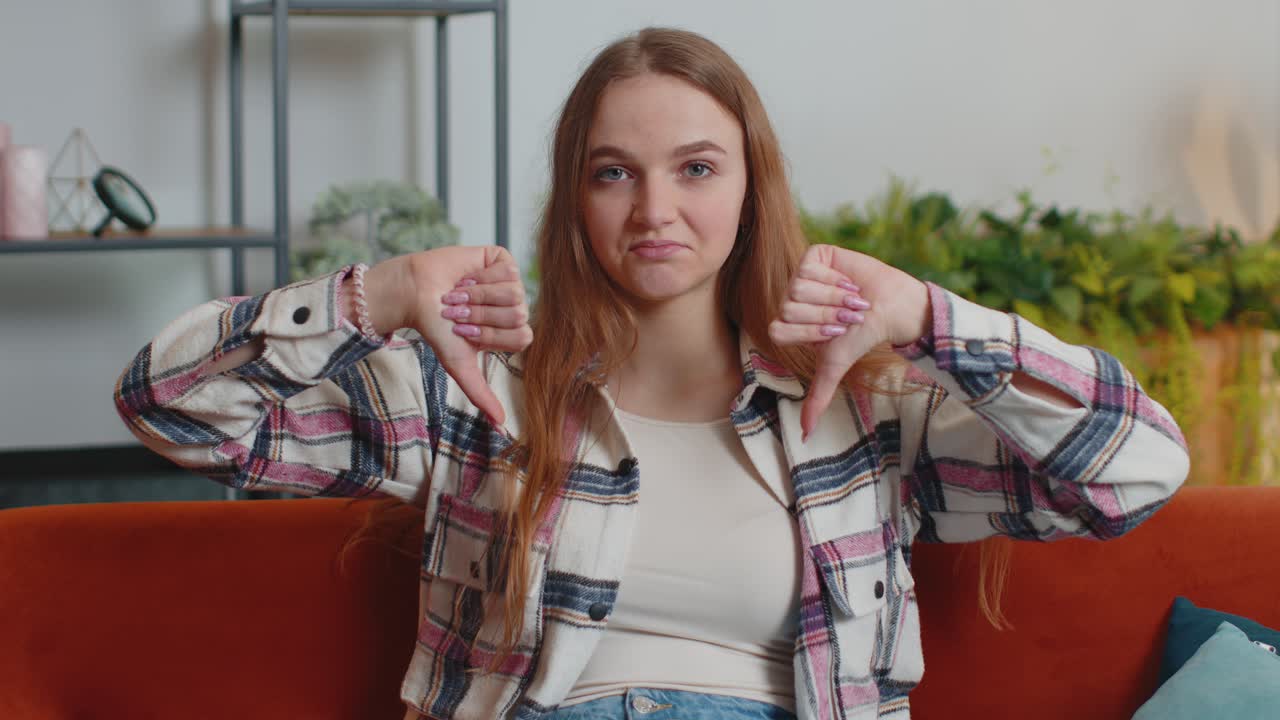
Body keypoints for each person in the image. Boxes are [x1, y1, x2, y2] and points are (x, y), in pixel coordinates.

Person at [114, 27, 1189, 720]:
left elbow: (1134, 472)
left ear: (750, 189)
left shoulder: (867, 414)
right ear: (574, 200)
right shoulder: (475, 396)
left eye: (696, 169)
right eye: (613, 173)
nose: (654, 211)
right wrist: (373, 296)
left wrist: (924, 317)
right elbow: (172, 409)